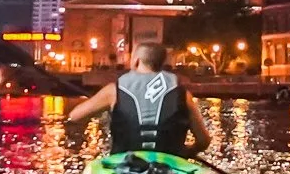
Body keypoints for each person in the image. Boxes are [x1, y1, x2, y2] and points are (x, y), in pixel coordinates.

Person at [65, 41, 211, 155]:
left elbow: (75, 116)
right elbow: (203, 141)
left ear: (136, 61)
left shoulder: (114, 91)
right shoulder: (183, 94)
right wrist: (188, 151)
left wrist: (107, 109)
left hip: (125, 163)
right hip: (169, 163)